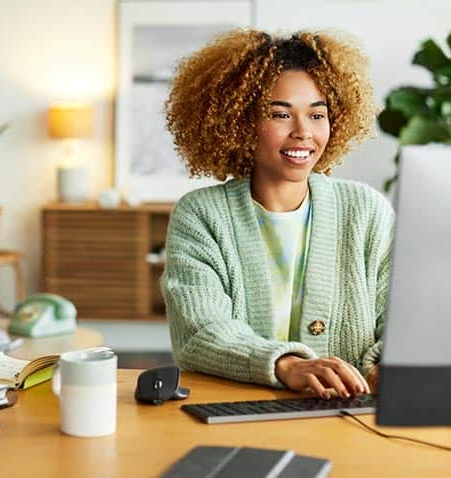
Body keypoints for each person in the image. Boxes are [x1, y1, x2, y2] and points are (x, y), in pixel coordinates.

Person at [162, 29, 395, 399]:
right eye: (280, 114)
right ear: (238, 122)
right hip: (236, 412)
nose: (304, 132)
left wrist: (389, 366)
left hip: (352, 416)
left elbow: (399, 322)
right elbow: (200, 331)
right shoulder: (201, 215)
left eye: (317, 114)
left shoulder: (366, 211)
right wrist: (288, 365)